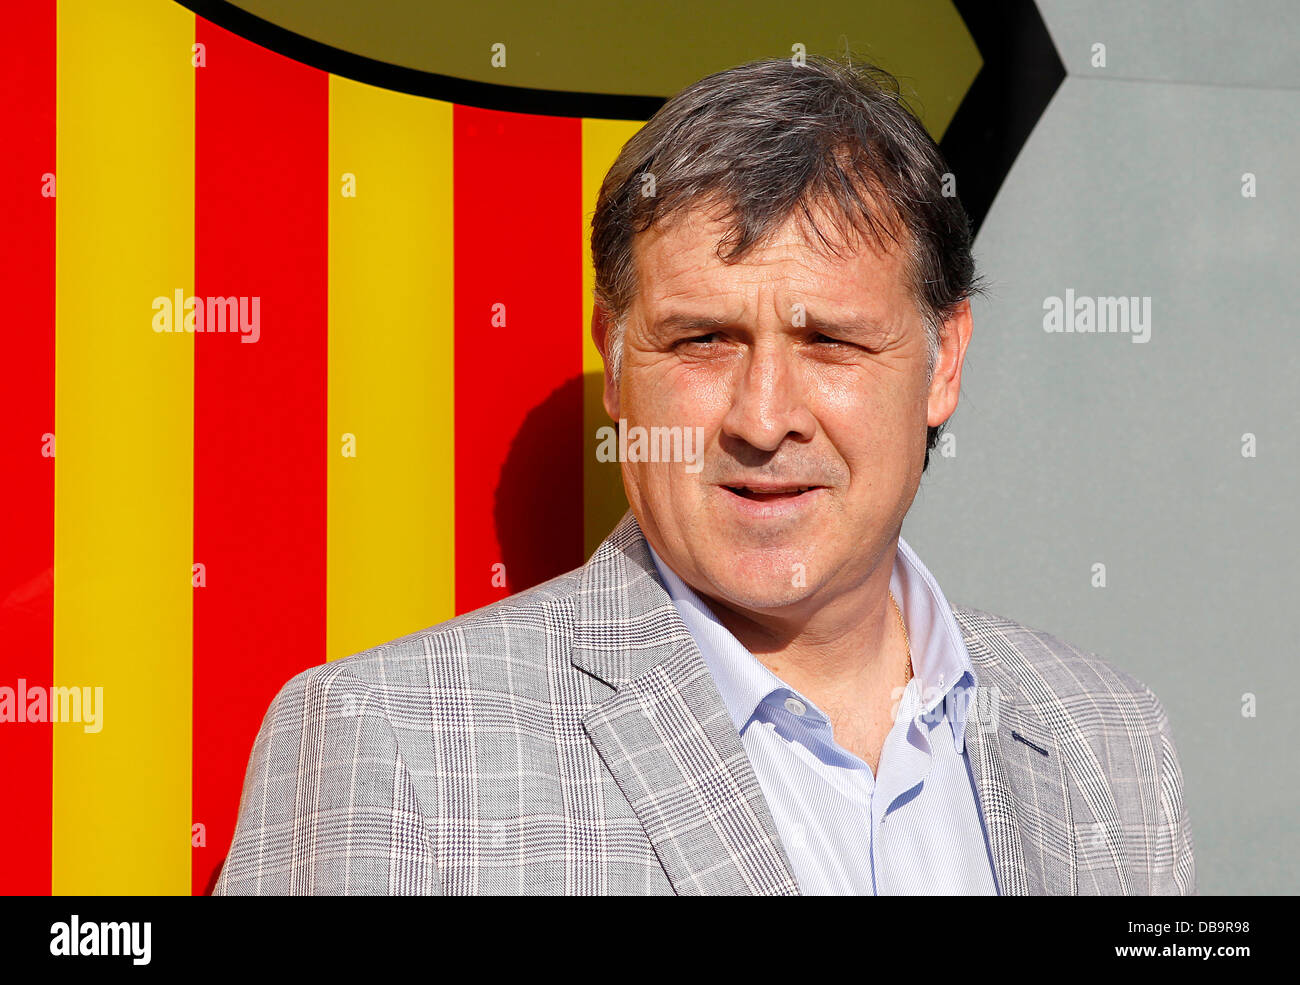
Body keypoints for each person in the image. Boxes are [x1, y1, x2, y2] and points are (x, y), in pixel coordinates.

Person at [214, 54, 1194, 895]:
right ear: (618, 357)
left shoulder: (1106, 735)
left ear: (943, 361)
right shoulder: (390, 743)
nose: (763, 418)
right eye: (704, 339)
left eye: (831, 342)